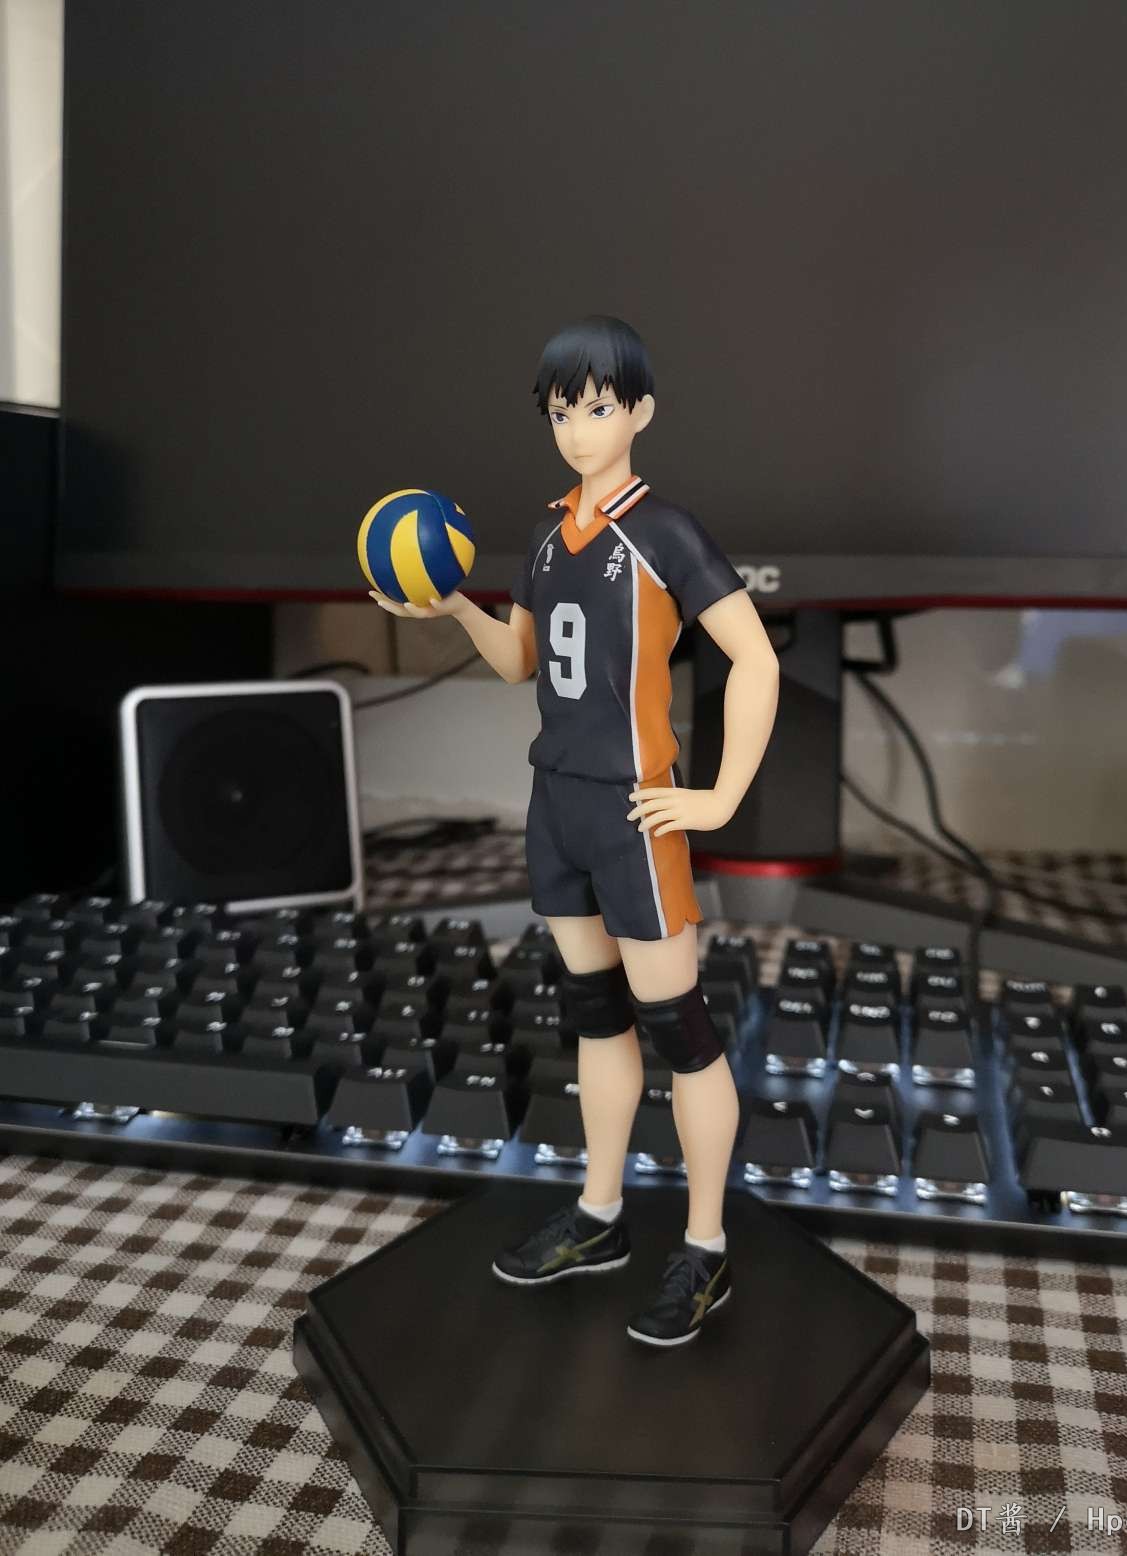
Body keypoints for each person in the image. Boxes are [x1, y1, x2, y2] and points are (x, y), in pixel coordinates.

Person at [369, 315, 779, 1346]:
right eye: (562, 411)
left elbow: (755, 658)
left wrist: (720, 796)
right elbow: (520, 661)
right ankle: (600, 1214)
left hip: (634, 807)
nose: (578, 429)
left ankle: (705, 1246)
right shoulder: (549, 533)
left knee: (679, 1029)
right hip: (555, 802)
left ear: (640, 411)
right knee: (595, 1017)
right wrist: (455, 608)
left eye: (597, 407)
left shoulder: (664, 531)